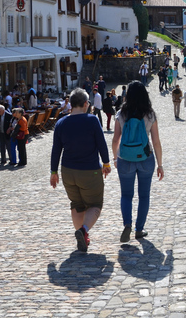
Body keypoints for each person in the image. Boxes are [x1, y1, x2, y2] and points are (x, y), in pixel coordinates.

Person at [50, 87, 112, 252]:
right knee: (95, 204)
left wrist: (53, 172)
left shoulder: (61, 123)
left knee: (77, 204)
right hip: (89, 170)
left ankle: (81, 237)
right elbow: (101, 144)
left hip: (68, 172)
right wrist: (106, 164)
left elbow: (56, 150)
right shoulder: (92, 120)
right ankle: (83, 231)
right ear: (86, 104)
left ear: (70, 103)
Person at [111, 82, 164, 243]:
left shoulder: (121, 114)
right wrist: (160, 164)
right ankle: (139, 229)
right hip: (145, 158)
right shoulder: (149, 114)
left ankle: (127, 223)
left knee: (126, 195)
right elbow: (156, 142)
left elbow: (115, 140)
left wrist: (115, 158)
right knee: (144, 195)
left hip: (125, 159)